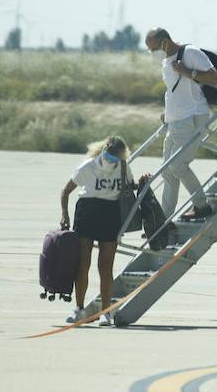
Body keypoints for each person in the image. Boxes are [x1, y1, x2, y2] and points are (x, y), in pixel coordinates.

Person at [143, 27, 217, 221]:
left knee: (177, 165)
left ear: (165, 42)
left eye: (153, 49)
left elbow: (214, 77)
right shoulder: (166, 61)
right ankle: (164, 221)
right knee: (168, 172)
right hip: (175, 120)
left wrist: (186, 71)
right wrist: (167, 113)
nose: (152, 54)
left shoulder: (190, 53)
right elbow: (176, 91)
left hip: (192, 117)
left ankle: (202, 205)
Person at [59, 135, 133, 326]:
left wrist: (141, 181)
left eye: (116, 158)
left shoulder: (124, 167)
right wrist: (65, 214)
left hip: (110, 213)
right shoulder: (88, 166)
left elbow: (130, 187)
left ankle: (106, 312)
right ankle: (79, 308)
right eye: (109, 156)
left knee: (105, 266)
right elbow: (66, 190)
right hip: (87, 211)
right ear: (103, 151)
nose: (111, 161)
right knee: (83, 263)